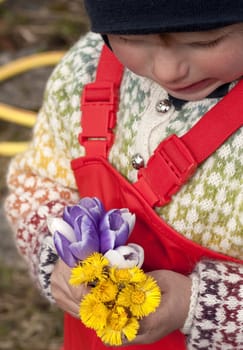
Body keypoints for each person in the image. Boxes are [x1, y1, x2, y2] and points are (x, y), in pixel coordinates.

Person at [5, 1, 243, 349]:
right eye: (131, 38)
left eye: (205, 41)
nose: (168, 70)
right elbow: (38, 180)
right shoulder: (85, 72)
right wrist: (54, 252)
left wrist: (201, 303)